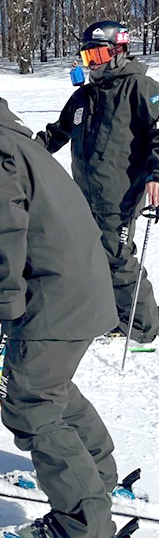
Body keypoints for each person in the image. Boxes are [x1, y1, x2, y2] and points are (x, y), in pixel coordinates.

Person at [0, 86, 144, 538]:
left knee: (28, 401)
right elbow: (5, 236)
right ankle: (97, 479)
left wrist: (9, 310)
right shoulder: (4, 136)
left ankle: (82, 526)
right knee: (50, 384)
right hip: (82, 285)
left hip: (55, 292)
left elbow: (1, 231)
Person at [37, 21, 159, 344]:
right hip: (85, 194)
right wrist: (23, 154)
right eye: (87, 57)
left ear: (118, 51)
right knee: (88, 255)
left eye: (98, 55)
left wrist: (157, 175)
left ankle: (143, 326)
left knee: (118, 258)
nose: (92, 64)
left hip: (121, 194)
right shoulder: (83, 98)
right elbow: (55, 134)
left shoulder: (140, 88)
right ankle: (103, 311)